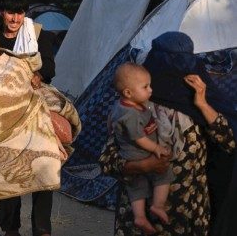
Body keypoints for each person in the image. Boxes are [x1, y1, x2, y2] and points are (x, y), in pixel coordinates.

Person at [99, 32, 236, 236]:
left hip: (188, 214)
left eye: (184, 60)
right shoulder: (132, 107)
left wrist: (202, 104)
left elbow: (229, 143)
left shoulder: (202, 102)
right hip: (141, 217)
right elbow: (107, 160)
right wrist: (142, 165)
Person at [0, 0, 56, 236]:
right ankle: (10, 228)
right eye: (10, 13)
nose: (15, 19)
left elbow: (51, 65)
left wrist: (39, 75)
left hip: (35, 109)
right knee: (8, 172)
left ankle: (42, 229)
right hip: (4, 115)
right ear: (2, 12)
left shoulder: (38, 33)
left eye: (19, 13)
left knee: (43, 168)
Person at [110, 62, 173, 234]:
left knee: (137, 186)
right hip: (139, 153)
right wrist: (156, 148)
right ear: (128, 92)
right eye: (145, 87)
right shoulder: (130, 114)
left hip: (131, 155)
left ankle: (140, 217)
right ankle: (158, 205)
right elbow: (139, 138)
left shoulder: (124, 106)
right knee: (163, 175)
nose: (150, 90)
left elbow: (111, 119)